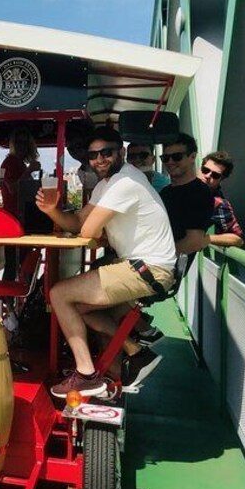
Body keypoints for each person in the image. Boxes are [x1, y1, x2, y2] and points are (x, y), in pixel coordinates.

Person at [36, 127, 177, 397]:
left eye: (106, 152)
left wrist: (83, 225)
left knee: (59, 293)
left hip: (148, 269)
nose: (99, 159)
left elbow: (88, 231)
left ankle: (87, 374)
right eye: (93, 155)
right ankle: (136, 353)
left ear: (120, 152)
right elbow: (77, 222)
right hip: (143, 267)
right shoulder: (106, 185)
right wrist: (52, 210)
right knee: (73, 303)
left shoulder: (125, 182)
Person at [158, 133, 214, 255]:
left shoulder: (200, 193)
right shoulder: (165, 193)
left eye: (177, 157)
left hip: (166, 265)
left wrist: (158, 258)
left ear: (193, 157)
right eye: (165, 158)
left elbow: (193, 242)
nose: (170, 162)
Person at [0, 128, 40, 280]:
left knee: (22, 260)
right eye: (19, 142)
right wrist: (29, 171)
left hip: (20, 216)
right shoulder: (10, 162)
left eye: (25, 142)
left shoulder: (18, 163)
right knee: (13, 262)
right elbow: (12, 189)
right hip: (13, 217)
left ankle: (15, 299)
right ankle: (7, 299)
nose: (22, 146)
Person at [199, 151, 245, 247]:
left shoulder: (218, 203)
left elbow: (238, 239)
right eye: (205, 170)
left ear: (221, 179)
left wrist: (206, 238)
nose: (208, 176)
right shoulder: (179, 186)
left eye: (215, 175)